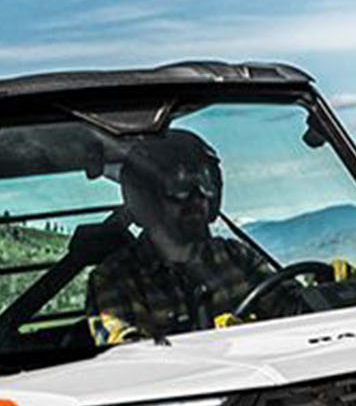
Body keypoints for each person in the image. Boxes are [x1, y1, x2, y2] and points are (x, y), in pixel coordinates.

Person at [83, 129, 298, 346]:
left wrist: (323, 294)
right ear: (146, 198)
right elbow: (134, 359)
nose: (197, 197)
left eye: (205, 182)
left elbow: (293, 309)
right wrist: (223, 345)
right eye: (179, 185)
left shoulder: (236, 256)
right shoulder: (116, 279)